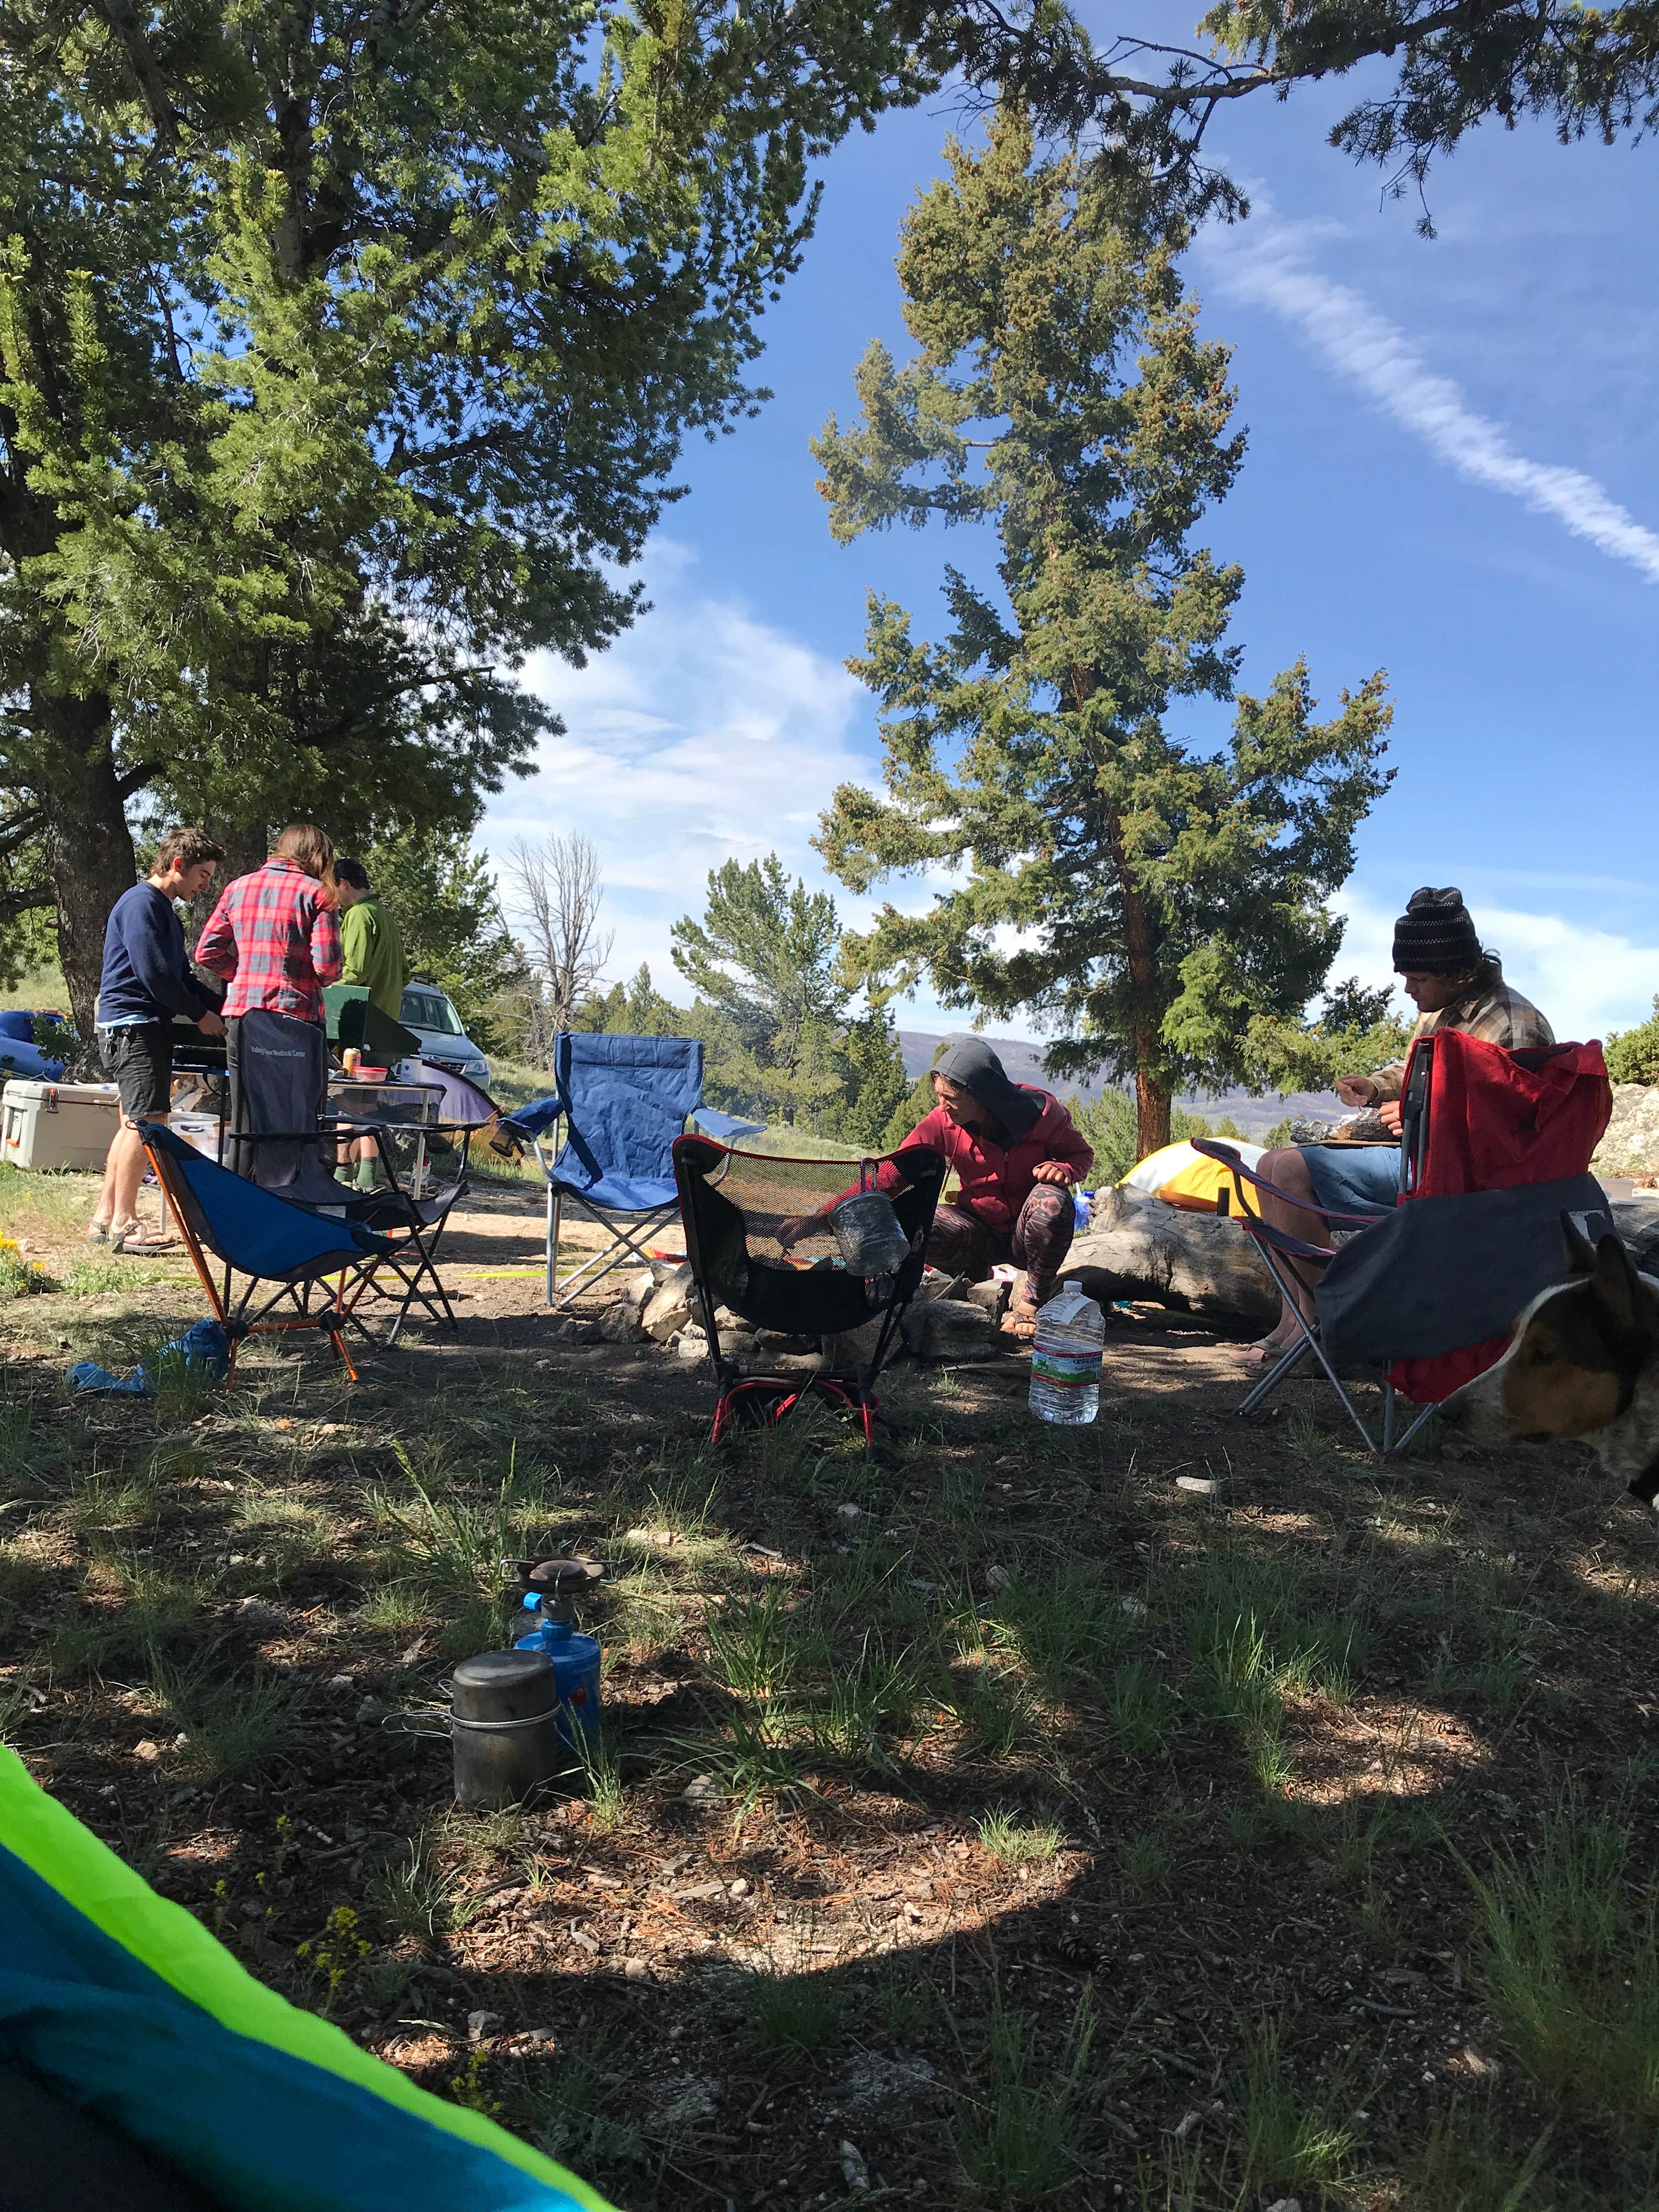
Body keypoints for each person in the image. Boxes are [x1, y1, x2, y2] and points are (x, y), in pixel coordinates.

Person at [1240, 885, 1555, 1360]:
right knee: (1270, 1164)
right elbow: (1417, 1074)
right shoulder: (1443, 1008)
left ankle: (1327, 1334)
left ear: (1457, 972)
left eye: (1417, 978)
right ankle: (1296, 1321)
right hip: (1425, 1161)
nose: (1408, 989)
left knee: (1289, 1170)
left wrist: (1424, 1121)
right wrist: (1377, 1087)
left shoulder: (1513, 1025)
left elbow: (1518, 1135)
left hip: (1464, 1189)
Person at [776, 1037, 1094, 1335]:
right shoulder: (942, 1122)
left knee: (1051, 1202)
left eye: (951, 1098)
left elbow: (1082, 1154)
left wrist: (1064, 1168)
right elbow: (889, 1175)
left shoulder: (1043, 1117)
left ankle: (1031, 1303)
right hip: (979, 1231)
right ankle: (980, 1279)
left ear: (982, 1096)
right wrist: (822, 1218)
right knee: (915, 1221)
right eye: (939, 1096)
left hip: (1030, 1234)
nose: (942, 1106)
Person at [89, 828, 228, 1253]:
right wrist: (200, 1016)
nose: (206, 885)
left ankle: (104, 1218)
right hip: (134, 1026)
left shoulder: (164, 911)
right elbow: (155, 976)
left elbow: (183, 978)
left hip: (138, 1027)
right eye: (203, 875)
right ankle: (126, 1223)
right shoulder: (142, 904)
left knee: (132, 1124)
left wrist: (228, 1006)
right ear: (178, 865)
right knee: (148, 1123)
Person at [195, 824, 343, 1176]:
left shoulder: (237, 888)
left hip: (244, 1017)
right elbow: (328, 967)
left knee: (247, 1115)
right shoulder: (319, 894)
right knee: (298, 1114)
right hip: (297, 1018)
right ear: (318, 856)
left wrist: (245, 974)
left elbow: (206, 952)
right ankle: (294, 1192)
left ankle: (239, 1191)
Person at [333, 858, 410, 1022]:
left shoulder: (359, 914)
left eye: (332, 887)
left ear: (343, 883)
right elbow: (404, 975)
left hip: (362, 1021)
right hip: (386, 1023)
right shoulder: (385, 916)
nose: (333, 896)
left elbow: (355, 973)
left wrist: (324, 989)